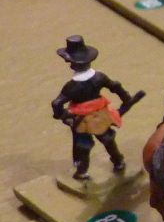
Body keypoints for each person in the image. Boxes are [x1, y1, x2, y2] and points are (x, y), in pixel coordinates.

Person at [50, 36, 139, 181]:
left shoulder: (71, 87)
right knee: (107, 138)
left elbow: (56, 103)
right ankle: (118, 162)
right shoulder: (99, 77)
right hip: (101, 114)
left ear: (71, 64)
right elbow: (115, 86)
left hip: (82, 120)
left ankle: (82, 172)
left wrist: (63, 115)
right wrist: (126, 98)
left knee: (83, 145)